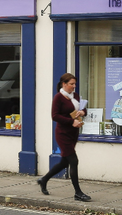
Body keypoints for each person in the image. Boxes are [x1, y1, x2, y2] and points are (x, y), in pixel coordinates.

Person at [37, 72, 90, 201]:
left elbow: (83, 109)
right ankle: (78, 193)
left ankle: (43, 180)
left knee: (64, 162)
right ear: (64, 84)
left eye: (75, 84)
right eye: (71, 84)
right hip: (63, 134)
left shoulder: (75, 96)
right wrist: (72, 121)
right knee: (74, 161)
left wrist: (83, 112)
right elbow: (54, 116)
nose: (74, 86)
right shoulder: (58, 98)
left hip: (73, 133)